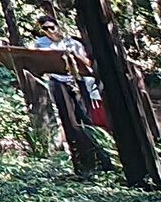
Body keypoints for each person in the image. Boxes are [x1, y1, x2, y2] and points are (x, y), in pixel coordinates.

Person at [31, 14, 110, 174]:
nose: (49, 31)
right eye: (45, 28)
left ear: (57, 26)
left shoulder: (71, 42)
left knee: (85, 118)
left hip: (77, 81)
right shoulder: (40, 44)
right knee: (69, 121)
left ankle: (103, 158)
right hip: (57, 81)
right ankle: (82, 163)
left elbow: (85, 63)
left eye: (51, 27)